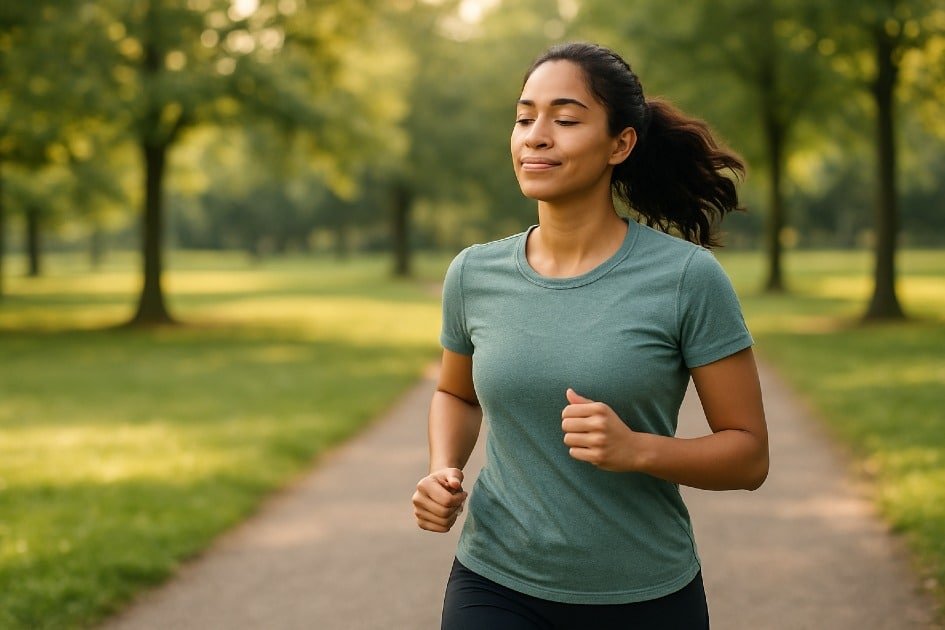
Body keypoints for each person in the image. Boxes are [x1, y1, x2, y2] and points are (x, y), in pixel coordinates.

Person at [412, 41, 769, 629]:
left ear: (620, 144)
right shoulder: (474, 274)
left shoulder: (686, 278)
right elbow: (455, 393)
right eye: (525, 117)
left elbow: (749, 454)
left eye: (566, 119)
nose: (536, 135)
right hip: (495, 581)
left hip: (645, 594)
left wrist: (638, 450)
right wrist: (442, 468)